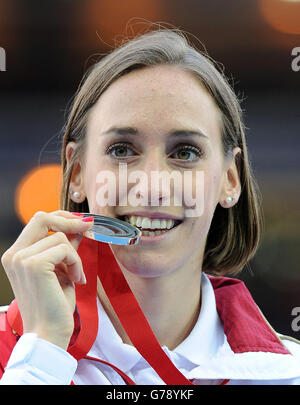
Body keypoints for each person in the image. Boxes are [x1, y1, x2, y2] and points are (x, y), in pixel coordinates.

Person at [0, 27, 300, 385]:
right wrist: (41, 355)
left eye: (185, 152)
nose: (152, 185)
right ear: (77, 172)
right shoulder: (12, 352)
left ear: (229, 179)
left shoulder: (287, 375)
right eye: (122, 150)